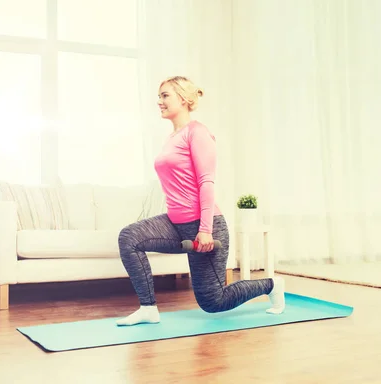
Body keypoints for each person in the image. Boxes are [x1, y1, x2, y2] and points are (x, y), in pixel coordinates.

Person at [116, 76, 285, 326]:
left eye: (165, 95)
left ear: (183, 99)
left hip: (205, 225)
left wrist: (204, 230)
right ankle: (148, 308)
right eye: (159, 96)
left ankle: (272, 285)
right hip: (175, 223)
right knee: (129, 237)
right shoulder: (172, 137)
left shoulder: (198, 133)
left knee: (213, 302)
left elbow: (206, 182)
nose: (159, 101)